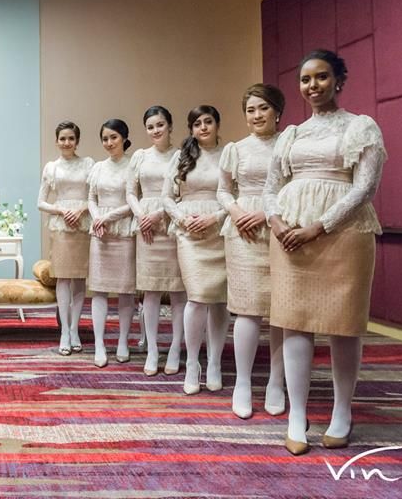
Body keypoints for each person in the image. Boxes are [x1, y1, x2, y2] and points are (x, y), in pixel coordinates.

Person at [263, 49, 385, 456]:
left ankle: (341, 412)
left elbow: (365, 187)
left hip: (343, 233)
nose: (312, 85)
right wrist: (277, 221)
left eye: (321, 77)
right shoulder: (291, 134)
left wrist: (319, 226)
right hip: (289, 236)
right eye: (305, 79)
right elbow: (271, 187)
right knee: (294, 323)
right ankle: (297, 415)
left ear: (338, 80)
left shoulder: (361, 126)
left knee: (343, 325)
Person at [218, 84, 286, 419]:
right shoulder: (236, 149)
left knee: (281, 309)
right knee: (246, 307)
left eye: (263, 108)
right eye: (250, 110)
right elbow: (223, 190)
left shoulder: (289, 144)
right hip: (241, 230)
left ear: (277, 112)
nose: (257, 115)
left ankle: (277, 381)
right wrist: (235, 211)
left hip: (279, 226)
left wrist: (265, 213)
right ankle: (242, 383)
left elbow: (293, 187)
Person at [163, 106, 228, 395]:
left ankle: (215, 362)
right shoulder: (181, 156)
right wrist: (182, 218)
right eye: (197, 123)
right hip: (188, 232)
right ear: (191, 128)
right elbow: (166, 197)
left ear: (217, 124)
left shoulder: (228, 154)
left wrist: (215, 218)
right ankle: (192, 363)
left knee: (219, 299)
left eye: (208, 121)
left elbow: (235, 195)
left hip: (218, 229)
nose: (203, 127)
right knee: (197, 297)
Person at [126, 107, 186, 376]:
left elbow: (183, 193)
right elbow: (130, 192)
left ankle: (175, 348)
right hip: (145, 225)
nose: (155, 130)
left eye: (160, 125)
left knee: (177, 291)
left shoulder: (182, 155)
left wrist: (159, 214)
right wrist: (142, 216)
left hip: (170, 222)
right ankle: (152, 349)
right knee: (150, 290)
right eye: (150, 126)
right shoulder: (140, 156)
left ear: (170, 126)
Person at [38, 121, 94, 356]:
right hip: (61, 225)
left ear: (77, 141)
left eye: (71, 138)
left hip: (82, 223)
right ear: (56, 141)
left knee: (79, 278)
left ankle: (74, 329)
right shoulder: (52, 167)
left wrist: (81, 210)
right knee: (62, 277)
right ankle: (63, 332)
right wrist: (61, 210)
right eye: (62, 138)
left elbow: (95, 196)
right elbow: (40, 202)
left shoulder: (88, 164)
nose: (67, 142)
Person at [87, 119, 136, 368]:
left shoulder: (133, 165)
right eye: (105, 138)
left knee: (126, 290)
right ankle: (99, 344)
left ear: (124, 138)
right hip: (101, 232)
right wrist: (97, 217)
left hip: (123, 229)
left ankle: (123, 341)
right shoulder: (98, 167)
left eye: (113, 137)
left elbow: (134, 200)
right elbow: (91, 198)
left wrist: (109, 217)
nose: (109, 143)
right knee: (99, 289)